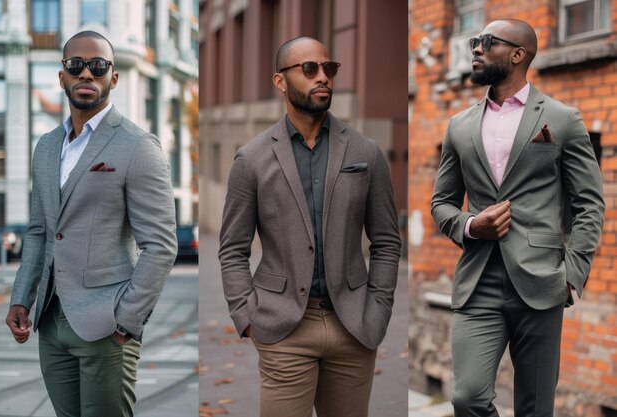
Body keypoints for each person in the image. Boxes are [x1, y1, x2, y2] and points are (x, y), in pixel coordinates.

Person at [218, 36, 401, 417]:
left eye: (329, 69)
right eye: (309, 69)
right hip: (282, 327)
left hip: (354, 325)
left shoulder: (365, 152)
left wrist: (378, 309)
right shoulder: (251, 159)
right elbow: (232, 248)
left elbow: (386, 240)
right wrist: (246, 316)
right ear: (280, 81)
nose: (323, 78)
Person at [431, 19, 605, 416]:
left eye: (485, 42)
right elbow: (441, 203)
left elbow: (589, 204)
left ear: (517, 54)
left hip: (542, 282)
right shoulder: (459, 126)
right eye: (474, 41)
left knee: (535, 408)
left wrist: (572, 278)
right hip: (478, 282)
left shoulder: (563, 119)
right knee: (468, 399)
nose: (474, 49)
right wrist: (471, 225)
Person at [5, 30, 177, 417]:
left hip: (106, 325)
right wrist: (22, 297)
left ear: (113, 77)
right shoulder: (46, 146)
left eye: (98, 66)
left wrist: (127, 321)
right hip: (50, 322)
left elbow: (161, 246)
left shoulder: (137, 146)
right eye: (76, 65)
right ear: (62, 76)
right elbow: (39, 230)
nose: (87, 74)